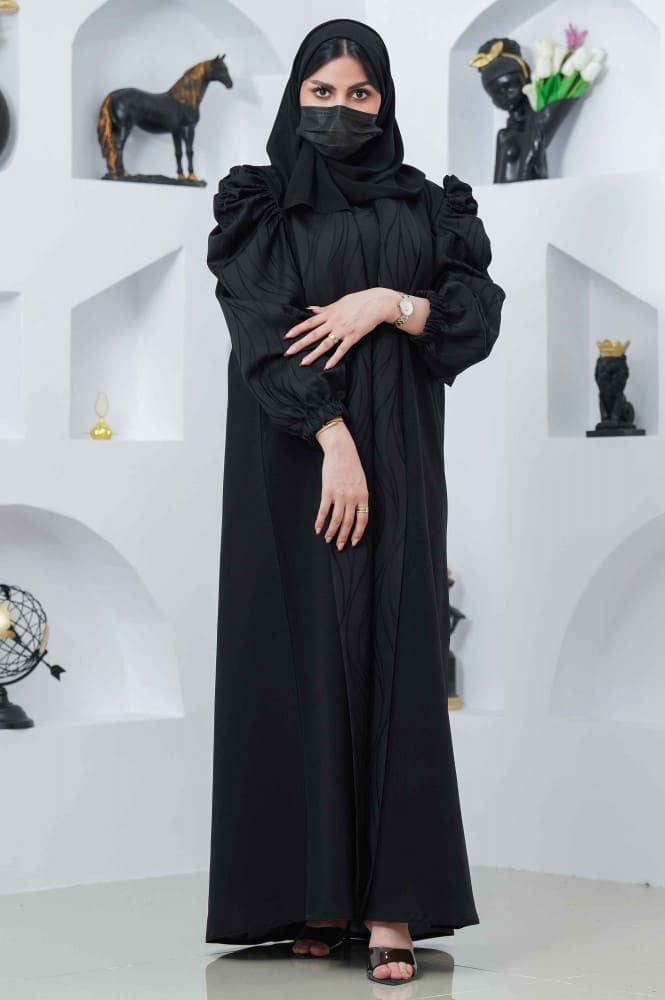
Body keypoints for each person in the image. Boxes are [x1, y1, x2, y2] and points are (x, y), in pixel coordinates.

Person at [205, 17, 506, 986]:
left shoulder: (429, 205)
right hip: (294, 453)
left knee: (395, 649)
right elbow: (261, 331)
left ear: (384, 102)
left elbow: (471, 318)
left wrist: (389, 303)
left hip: (403, 450)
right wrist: (331, 440)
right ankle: (314, 895)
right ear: (297, 97)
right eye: (322, 93)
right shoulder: (259, 204)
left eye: (360, 94)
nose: (341, 111)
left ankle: (389, 908)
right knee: (297, 650)